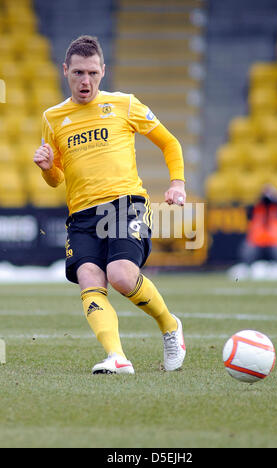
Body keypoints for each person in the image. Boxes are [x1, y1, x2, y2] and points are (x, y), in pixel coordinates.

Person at [33, 35, 186, 375]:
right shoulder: (53, 117)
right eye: (77, 73)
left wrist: (177, 183)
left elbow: (169, 142)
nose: (84, 81)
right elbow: (57, 179)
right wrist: (47, 168)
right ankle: (117, 357)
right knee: (89, 277)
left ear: (103, 70)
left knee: (119, 274)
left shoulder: (125, 104)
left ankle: (169, 325)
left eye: (91, 72)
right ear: (65, 72)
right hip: (81, 215)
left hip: (123, 205)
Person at [240, 184, 277, 265]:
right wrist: (261, 200)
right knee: (248, 251)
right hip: (257, 243)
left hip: (275, 243)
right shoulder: (257, 208)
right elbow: (248, 211)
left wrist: (274, 199)